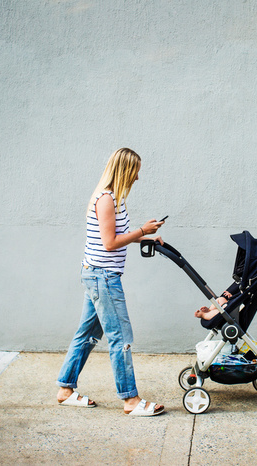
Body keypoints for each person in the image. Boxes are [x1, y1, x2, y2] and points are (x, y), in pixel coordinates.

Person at [56, 148, 165, 416]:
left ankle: (65, 390)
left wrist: (144, 237)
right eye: (136, 171)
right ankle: (131, 400)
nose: (138, 177)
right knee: (121, 337)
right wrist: (142, 231)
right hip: (102, 277)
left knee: (88, 334)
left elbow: (118, 235)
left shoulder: (115, 198)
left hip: (98, 275)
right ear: (125, 170)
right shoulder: (105, 199)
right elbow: (109, 243)